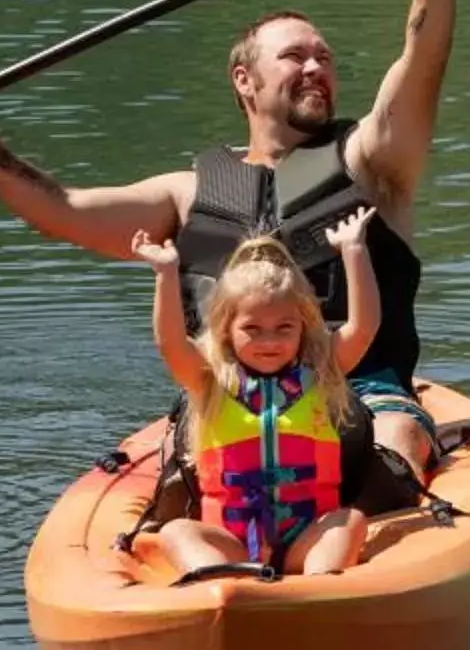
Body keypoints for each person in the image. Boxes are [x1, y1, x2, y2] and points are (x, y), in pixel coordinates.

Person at [0, 0, 453, 486]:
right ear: (244, 80)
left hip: (357, 392)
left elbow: (424, 56)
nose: (316, 68)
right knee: (184, 473)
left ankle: (389, 526)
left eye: (325, 58)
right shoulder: (187, 193)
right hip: (227, 404)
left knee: (398, 437)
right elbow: (61, 212)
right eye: (294, 56)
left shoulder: (372, 159)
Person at [131, 213, 380, 578]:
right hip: (232, 544)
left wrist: (354, 250)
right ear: (227, 329)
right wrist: (166, 274)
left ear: (302, 327)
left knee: (349, 520)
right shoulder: (209, 381)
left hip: (304, 541)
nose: (269, 341)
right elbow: (170, 343)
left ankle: (321, 590)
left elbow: (363, 328)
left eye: (284, 328)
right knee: (176, 531)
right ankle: (219, 582)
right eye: (253, 329)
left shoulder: (321, 374)